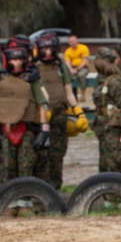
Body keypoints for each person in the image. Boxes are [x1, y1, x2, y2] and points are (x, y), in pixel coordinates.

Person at [0, 35, 49, 198]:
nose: (19, 62)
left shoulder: (31, 77)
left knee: (27, 167)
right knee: (6, 168)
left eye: (22, 58)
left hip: (27, 128)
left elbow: (43, 102)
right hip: (5, 128)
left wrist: (44, 130)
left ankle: (26, 200)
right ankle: (6, 200)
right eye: (15, 58)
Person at [33, 32, 80, 189]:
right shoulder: (33, 68)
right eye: (44, 49)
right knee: (41, 155)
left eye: (50, 49)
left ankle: (56, 188)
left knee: (57, 154)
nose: (47, 52)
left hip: (60, 115)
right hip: (40, 117)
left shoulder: (60, 67)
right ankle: (41, 188)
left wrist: (78, 112)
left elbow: (69, 92)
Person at [91, 47, 121, 177]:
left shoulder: (116, 83)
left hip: (116, 134)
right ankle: (109, 196)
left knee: (118, 168)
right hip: (106, 132)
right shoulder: (104, 80)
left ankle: (120, 197)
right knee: (106, 167)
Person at [64, 34, 91, 102]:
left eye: (73, 41)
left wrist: (77, 69)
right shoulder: (67, 51)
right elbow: (67, 62)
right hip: (72, 68)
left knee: (81, 75)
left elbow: (85, 61)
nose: (72, 43)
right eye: (70, 41)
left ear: (76, 41)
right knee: (69, 77)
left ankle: (83, 94)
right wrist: (70, 69)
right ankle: (73, 95)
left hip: (82, 67)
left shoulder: (83, 48)